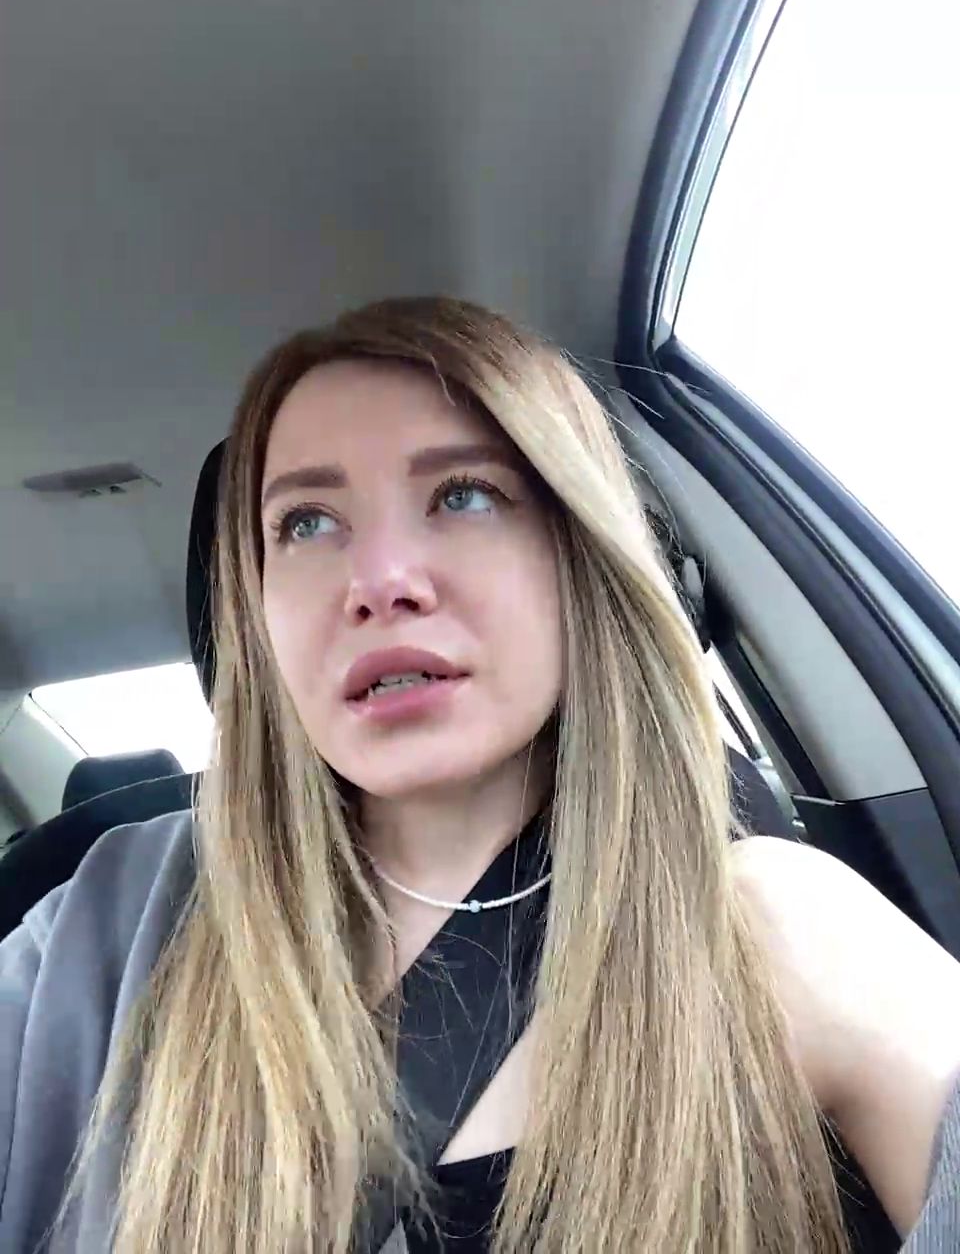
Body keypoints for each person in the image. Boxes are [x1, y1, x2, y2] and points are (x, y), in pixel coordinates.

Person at [1, 296, 959, 1253]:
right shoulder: (102, 931)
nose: (379, 580)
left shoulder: (774, 932)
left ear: (580, 551)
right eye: (306, 522)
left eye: (463, 495)